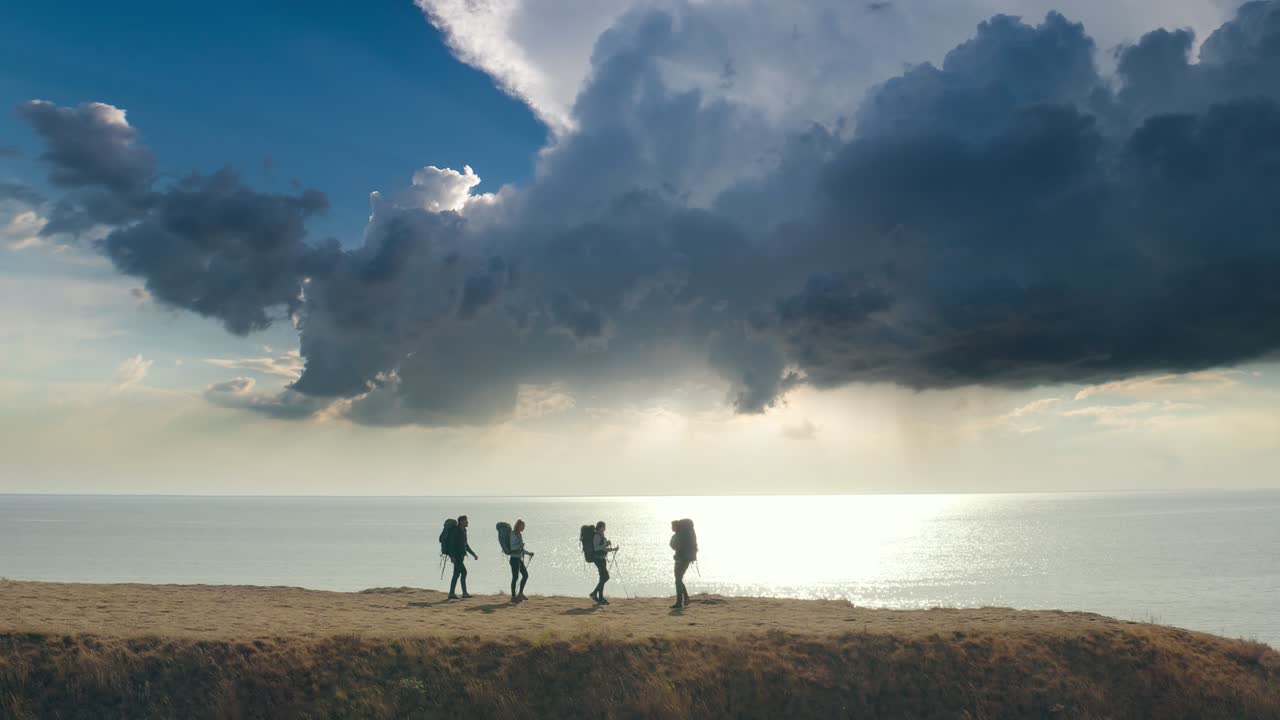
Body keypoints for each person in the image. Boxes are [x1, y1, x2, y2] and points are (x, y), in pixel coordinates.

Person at [448, 514, 479, 600]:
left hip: (461, 556)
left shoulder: (464, 530)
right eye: (466, 521)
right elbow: (451, 545)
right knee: (464, 572)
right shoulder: (456, 531)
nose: (467, 522)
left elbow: (466, 545)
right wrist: (452, 556)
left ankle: (452, 593)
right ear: (461, 522)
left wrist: (473, 554)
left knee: (456, 574)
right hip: (457, 557)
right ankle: (464, 593)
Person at [590, 520, 617, 604]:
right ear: (600, 527)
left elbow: (603, 548)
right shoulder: (597, 536)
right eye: (604, 527)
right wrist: (605, 544)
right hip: (598, 559)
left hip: (602, 559)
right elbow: (596, 548)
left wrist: (613, 549)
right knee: (606, 577)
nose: (605, 529)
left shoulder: (601, 535)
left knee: (602, 578)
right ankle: (594, 593)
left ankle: (601, 598)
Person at [508, 519, 533, 602]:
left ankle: (520, 594)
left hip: (518, 559)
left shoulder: (519, 534)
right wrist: (520, 545)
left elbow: (521, 549)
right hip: (514, 559)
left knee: (525, 575)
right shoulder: (513, 534)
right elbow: (512, 548)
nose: (523, 528)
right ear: (518, 526)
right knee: (515, 577)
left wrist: (528, 553)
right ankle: (513, 596)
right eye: (523, 526)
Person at [670, 519, 692, 609]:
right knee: (679, 579)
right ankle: (686, 599)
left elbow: (673, 545)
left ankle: (680, 602)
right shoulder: (684, 535)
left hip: (680, 560)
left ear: (676, 527)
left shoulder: (677, 536)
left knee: (678, 580)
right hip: (686, 560)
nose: (671, 528)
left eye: (672, 526)